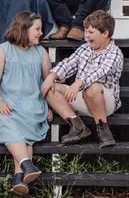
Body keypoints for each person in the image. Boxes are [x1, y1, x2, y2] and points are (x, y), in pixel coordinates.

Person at [0, 11, 53, 196]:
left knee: (24, 129)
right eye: (37, 29)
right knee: (9, 122)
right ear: (24, 29)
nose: (41, 33)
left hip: (32, 104)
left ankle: (19, 176)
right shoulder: (2, 50)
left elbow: (48, 84)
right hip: (6, 102)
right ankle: (26, 166)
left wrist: (50, 107)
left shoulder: (41, 53)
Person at [41, 10, 123, 148]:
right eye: (86, 31)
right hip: (81, 97)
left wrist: (79, 82)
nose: (86, 35)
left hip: (104, 102)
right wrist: (51, 76)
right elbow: (68, 63)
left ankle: (103, 130)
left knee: (92, 87)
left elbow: (100, 72)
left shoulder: (114, 53)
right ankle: (78, 127)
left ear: (105, 33)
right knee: (50, 87)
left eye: (91, 32)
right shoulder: (85, 49)